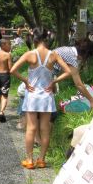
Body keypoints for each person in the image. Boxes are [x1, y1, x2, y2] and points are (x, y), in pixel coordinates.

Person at [10, 27, 71, 169]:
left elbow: (13, 70)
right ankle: (42, 159)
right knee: (45, 129)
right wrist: (54, 82)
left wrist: (26, 81)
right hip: (47, 96)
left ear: (35, 39)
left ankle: (30, 160)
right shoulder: (53, 54)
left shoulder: (30, 54)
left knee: (31, 128)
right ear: (46, 39)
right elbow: (67, 71)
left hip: (32, 95)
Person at [53, 38, 93, 110]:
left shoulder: (67, 49)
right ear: (85, 54)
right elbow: (79, 84)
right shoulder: (72, 58)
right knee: (51, 115)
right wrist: (92, 101)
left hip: (39, 76)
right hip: (43, 80)